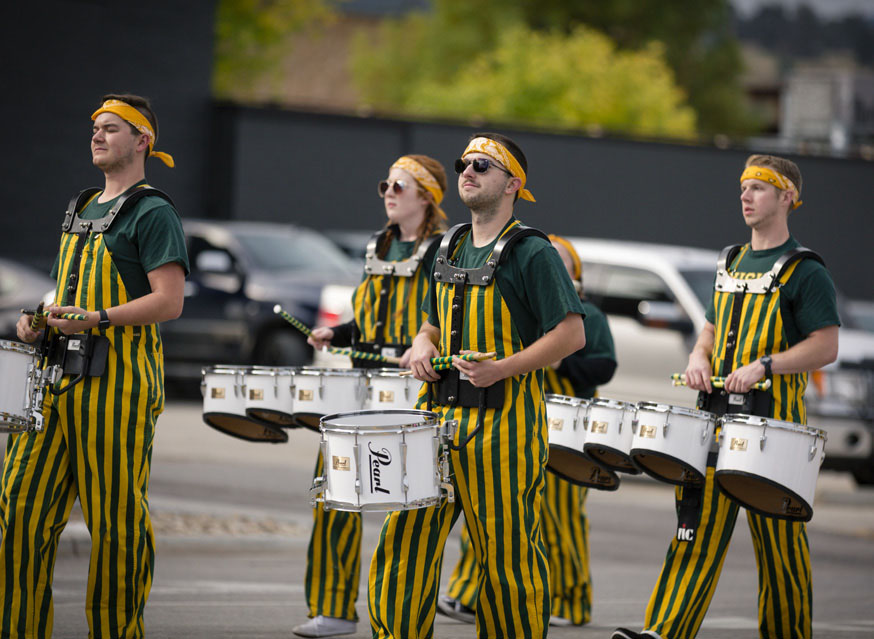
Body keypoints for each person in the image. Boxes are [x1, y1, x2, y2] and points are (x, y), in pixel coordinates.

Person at [368, 132, 587, 639]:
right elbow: (430, 323)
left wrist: (504, 367)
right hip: (434, 418)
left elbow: (571, 334)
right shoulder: (448, 245)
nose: (467, 171)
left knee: (506, 559)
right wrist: (423, 345)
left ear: (512, 184)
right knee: (403, 544)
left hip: (504, 424)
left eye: (482, 165)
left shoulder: (533, 252)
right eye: (464, 163)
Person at [613, 154, 840, 639]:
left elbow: (826, 345)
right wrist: (699, 357)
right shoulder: (729, 261)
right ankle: (664, 632)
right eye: (743, 187)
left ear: (787, 198)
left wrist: (766, 365)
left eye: (759, 188)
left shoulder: (805, 271)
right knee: (692, 533)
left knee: (781, 551)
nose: (746, 195)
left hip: (774, 432)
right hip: (712, 422)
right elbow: (712, 329)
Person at [3, 94, 188, 638]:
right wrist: (36, 318)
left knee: (114, 526)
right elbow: (68, 288)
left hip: (119, 386)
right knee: (18, 515)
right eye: (95, 128)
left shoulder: (153, 211)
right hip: (55, 381)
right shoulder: (80, 206)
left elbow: (170, 301)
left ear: (142, 141)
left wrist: (99, 318)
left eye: (111, 128)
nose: (97, 135)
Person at [293, 154, 448, 638]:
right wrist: (335, 336)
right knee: (335, 493)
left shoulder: (444, 250)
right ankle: (333, 609)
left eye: (399, 185)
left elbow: (445, 317)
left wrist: (424, 347)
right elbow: (367, 322)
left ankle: (431, 608)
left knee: (415, 506)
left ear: (426, 196)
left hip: (413, 391)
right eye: (385, 184)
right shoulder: (375, 247)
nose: (388, 191)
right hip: (363, 385)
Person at [436, 234, 617, 628]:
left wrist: (557, 364)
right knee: (488, 518)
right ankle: (468, 595)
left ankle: (572, 601)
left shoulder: (589, 315)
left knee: (562, 518)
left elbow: (603, 366)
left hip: (568, 428)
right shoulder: (522, 308)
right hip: (515, 419)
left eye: (563, 265)